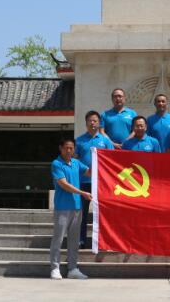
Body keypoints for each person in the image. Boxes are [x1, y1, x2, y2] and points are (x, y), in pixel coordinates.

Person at [50, 136, 91, 280]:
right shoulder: (56, 164)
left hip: (77, 207)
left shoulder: (76, 163)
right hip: (62, 207)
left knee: (74, 240)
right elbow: (64, 184)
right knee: (58, 239)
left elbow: (89, 172)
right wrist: (82, 193)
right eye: (66, 148)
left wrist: (101, 159)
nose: (69, 151)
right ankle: (55, 268)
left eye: (71, 148)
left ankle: (73, 268)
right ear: (60, 148)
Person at [75, 110, 114, 249]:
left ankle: (104, 241)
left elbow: (112, 161)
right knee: (82, 213)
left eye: (95, 121)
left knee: (103, 214)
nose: (92, 123)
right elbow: (75, 161)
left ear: (99, 123)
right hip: (83, 183)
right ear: (86, 123)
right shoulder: (79, 141)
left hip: (101, 183)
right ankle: (80, 240)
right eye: (90, 121)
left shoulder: (105, 141)